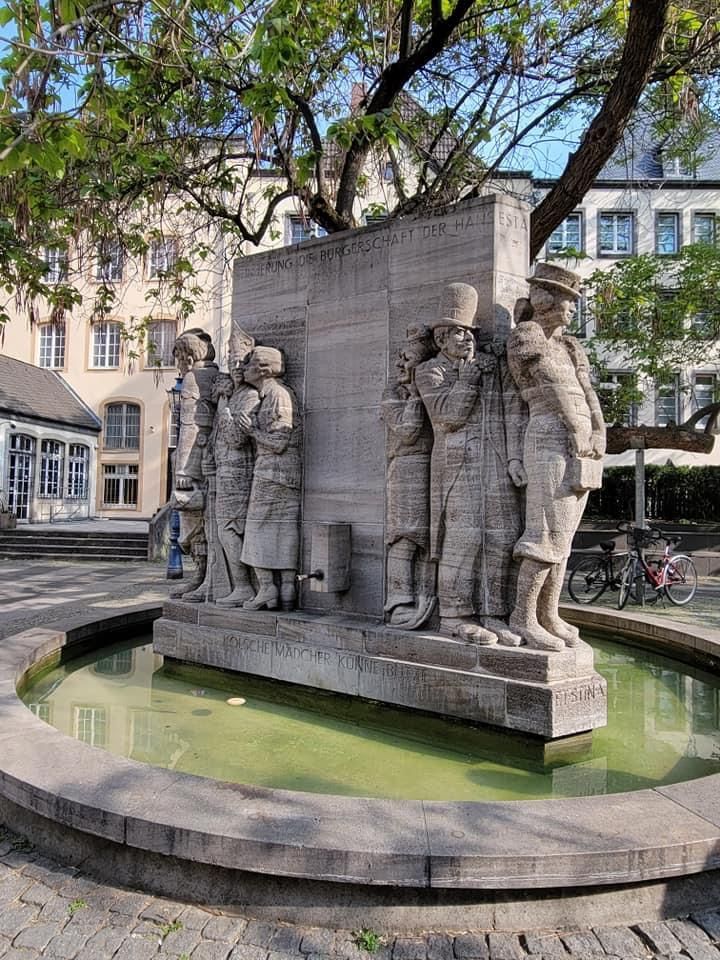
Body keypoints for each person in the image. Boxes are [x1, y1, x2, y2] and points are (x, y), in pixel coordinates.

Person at [415, 282, 526, 645]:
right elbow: (447, 418)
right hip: (456, 466)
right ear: (442, 338)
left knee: (501, 538)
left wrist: (513, 457)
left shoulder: (486, 367)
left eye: (469, 333)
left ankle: (494, 613)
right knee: (463, 541)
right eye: (459, 334)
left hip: (494, 463)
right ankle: (454, 615)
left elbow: (511, 409)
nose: (466, 339)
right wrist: (468, 377)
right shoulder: (429, 372)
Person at [506, 263, 605, 651]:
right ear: (546, 298)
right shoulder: (528, 336)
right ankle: (523, 617)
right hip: (547, 434)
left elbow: (586, 389)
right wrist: (576, 426)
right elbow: (551, 379)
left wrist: (599, 428)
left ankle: (549, 613)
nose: (573, 308)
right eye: (569, 300)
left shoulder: (569, 344)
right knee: (545, 533)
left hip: (579, 443)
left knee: (563, 539)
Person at [235, 346, 303, 611]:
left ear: (263, 368)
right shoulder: (275, 393)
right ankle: (284, 589)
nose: (243, 366)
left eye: (248, 362)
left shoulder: (277, 394)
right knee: (281, 530)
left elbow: (279, 441)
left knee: (257, 529)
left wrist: (251, 431)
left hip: (274, 473)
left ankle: (267, 589)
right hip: (280, 474)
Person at [382, 325, 435, 628]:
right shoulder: (393, 394)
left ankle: (426, 596)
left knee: (427, 538)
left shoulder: (429, 384)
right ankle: (399, 601)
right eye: (400, 358)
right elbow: (408, 432)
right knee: (404, 536)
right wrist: (416, 396)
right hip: (405, 467)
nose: (401, 364)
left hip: (434, 466)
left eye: (408, 359)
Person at [213, 330, 261, 606]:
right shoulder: (234, 395)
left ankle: (245, 586)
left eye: (241, 360)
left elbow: (234, 437)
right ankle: (241, 585)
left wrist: (222, 405)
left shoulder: (249, 396)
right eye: (230, 358)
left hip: (239, 474)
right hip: (225, 471)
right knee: (225, 530)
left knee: (230, 529)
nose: (235, 365)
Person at [170, 328, 219, 600]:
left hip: (195, 466)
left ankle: (201, 578)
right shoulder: (214, 376)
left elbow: (191, 426)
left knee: (193, 523)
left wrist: (183, 470)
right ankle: (203, 578)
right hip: (211, 461)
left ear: (188, 357)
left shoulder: (193, 379)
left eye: (178, 356)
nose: (177, 362)